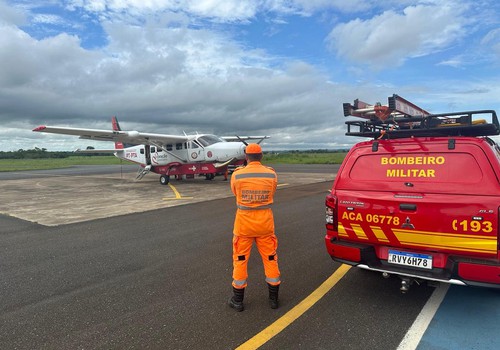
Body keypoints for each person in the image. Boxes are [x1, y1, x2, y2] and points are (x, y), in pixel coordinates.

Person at [228, 143, 280, 312]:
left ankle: (238, 300)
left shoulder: (237, 175)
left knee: (240, 261)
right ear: (261, 156)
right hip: (265, 226)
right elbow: (272, 193)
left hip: (244, 227)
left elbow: (235, 193)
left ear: (246, 157)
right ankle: (273, 299)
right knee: (271, 260)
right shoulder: (272, 175)